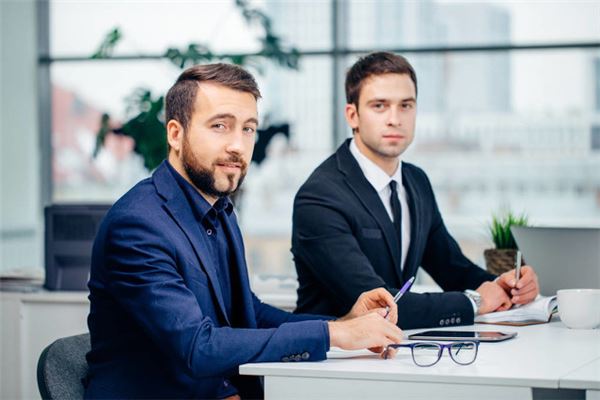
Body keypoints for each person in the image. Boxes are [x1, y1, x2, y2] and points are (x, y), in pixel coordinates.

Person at [85, 63, 403, 399]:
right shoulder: (137, 225)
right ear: (175, 134)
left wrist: (342, 325)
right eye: (220, 126)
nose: (238, 145)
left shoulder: (219, 210)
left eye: (248, 129)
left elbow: (247, 314)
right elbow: (197, 347)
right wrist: (333, 336)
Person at [292, 52, 540, 330]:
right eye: (379, 106)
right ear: (353, 115)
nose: (395, 119)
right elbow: (379, 305)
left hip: (399, 346)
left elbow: (452, 268)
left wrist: (506, 287)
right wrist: (475, 302)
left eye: (406, 106)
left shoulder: (416, 181)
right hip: (332, 351)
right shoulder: (320, 197)